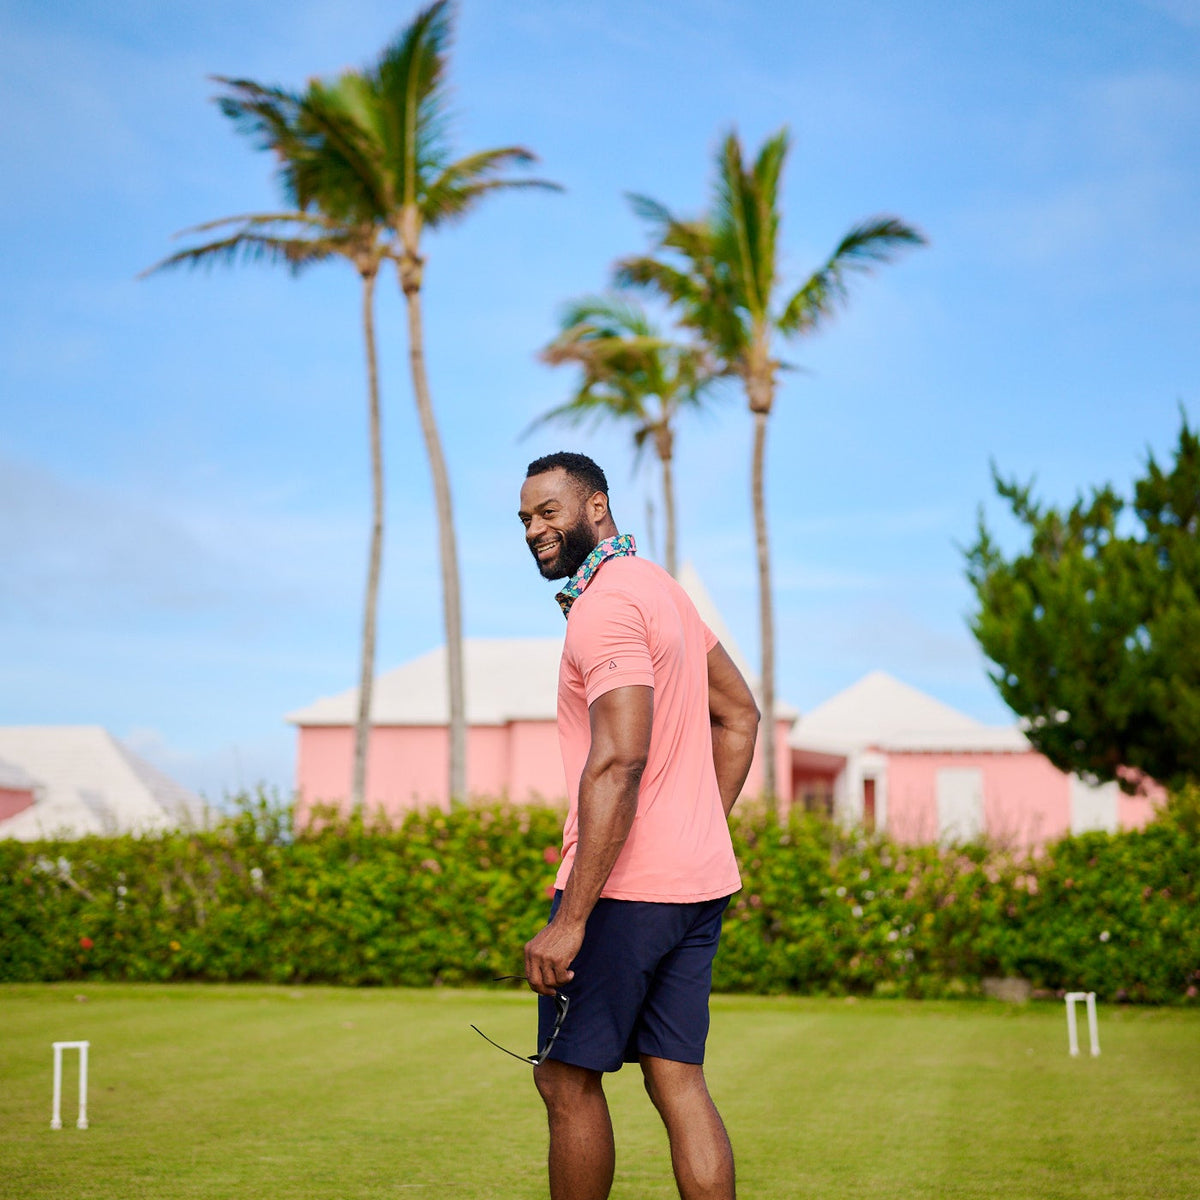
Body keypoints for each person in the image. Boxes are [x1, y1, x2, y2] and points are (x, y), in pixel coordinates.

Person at [517, 450, 760, 1200]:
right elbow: (741, 716)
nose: (533, 530)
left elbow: (619, 758)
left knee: (565, 1080)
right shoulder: (663, 591)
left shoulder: (609, 604)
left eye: (548, 511)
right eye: (524, 519)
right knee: (677, 1079)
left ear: (596, 508)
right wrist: (694, 826)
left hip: (625, 890)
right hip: (696, 881)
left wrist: (572, 920)